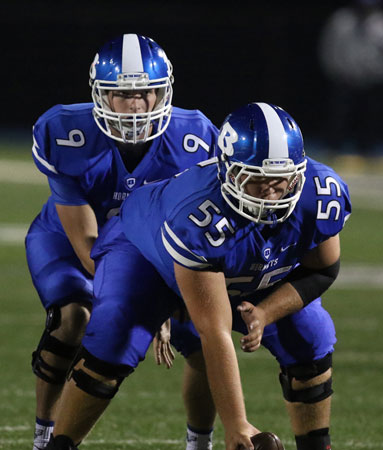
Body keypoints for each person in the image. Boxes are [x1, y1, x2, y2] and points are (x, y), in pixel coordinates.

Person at [45, 102, 351, 450]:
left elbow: (322, 269)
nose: (271, 191)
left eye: (281, 179)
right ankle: (59, 445)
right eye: (257, 179)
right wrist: (237, 426)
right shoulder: (198, 217)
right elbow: (213, 330)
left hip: (235, 264)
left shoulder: (321, 193)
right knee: (116, 333)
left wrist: (266, 312)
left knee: (311, 331)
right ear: (229, 172)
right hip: (144, 251)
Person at [25, 33, 219, 450]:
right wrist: (143, 302)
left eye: (146, 94)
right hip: (69, 242)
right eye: (123, 94)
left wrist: (162, 299)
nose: (135, 105)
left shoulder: (196, 137)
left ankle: (199, 442)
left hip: (159, 255)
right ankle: (44, 435)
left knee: (203, 336)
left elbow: (191, 229)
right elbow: (86, 242)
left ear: (163, 92)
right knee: (71, 319)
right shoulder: (64, 131)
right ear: (100, 95)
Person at [318, 0, 383, 163]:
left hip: (372, 81)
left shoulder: (381, 23)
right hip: (344, 79)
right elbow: (328, 48)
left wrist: (380, 74)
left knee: (371, 117)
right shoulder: (341, 20)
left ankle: (368, 152)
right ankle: (332, 151)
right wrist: (336, 72)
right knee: (339, 116)